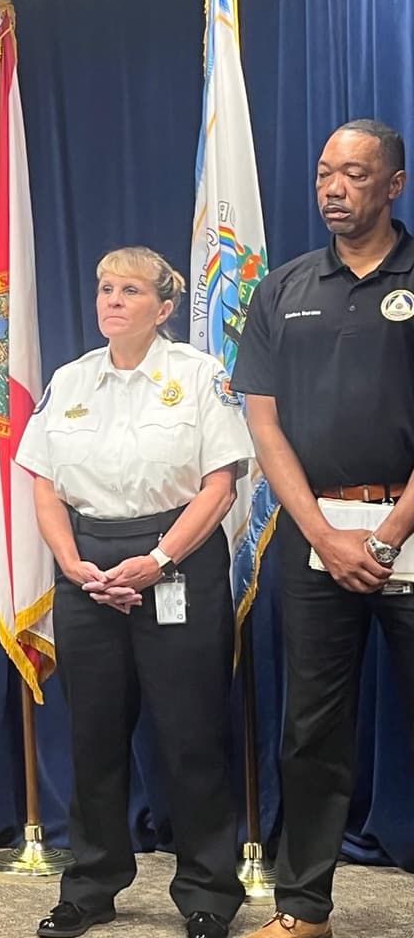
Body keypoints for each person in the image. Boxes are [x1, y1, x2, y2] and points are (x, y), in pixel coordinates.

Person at [16, 247, 253, 938]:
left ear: (165, 307)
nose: (112, 301)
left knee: (190, 736)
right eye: (104, 289)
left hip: (177, 559)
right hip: (86, 567)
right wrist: (72, 563)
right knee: (92, 738)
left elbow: (220, 485)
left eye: (130, 290)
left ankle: (209, 891)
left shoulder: (200, 376)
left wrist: (157, 559)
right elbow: (45, 486)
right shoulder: (70, 380)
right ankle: (90, 887)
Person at [232, 119, 414, 938]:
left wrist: (387, 536)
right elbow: (263, 423)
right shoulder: (284, 287)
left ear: (394, 185)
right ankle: (304, 910)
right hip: (316, 537)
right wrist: (324, 534)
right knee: (310, 729)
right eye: (323, 174)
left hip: (407, 527)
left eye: (354, 175)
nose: (334, 189)